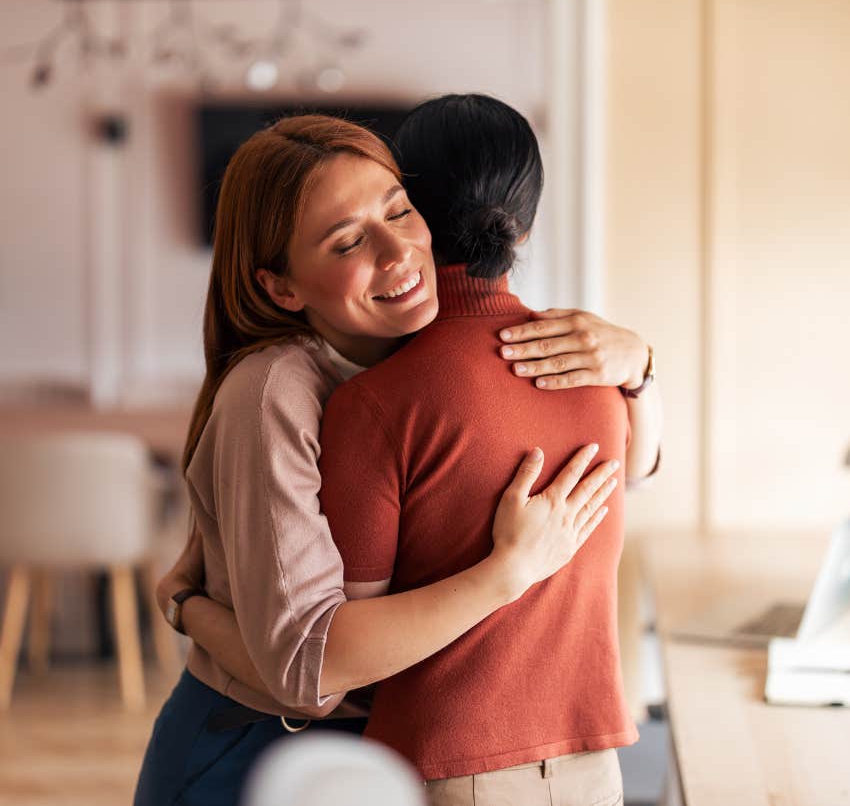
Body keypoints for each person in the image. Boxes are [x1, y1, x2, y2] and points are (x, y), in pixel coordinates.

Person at [133, 113, 625, 806]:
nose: (399, 252)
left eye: (399, 211)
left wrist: (640, 365)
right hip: (252, 750)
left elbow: (631, 470)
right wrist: (506, 574)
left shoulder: (413, 361)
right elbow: (307, 669)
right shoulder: (274, 392)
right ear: (282, 287)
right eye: (347, 242)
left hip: (362, 750)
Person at [316, 93, 664, 803]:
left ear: (407, 211)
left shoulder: (375, 404)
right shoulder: (600, 371)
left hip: (449, 766)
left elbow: (347, 645)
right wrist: (641, 368)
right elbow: (643, 468)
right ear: (525, 225)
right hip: (593, 764)